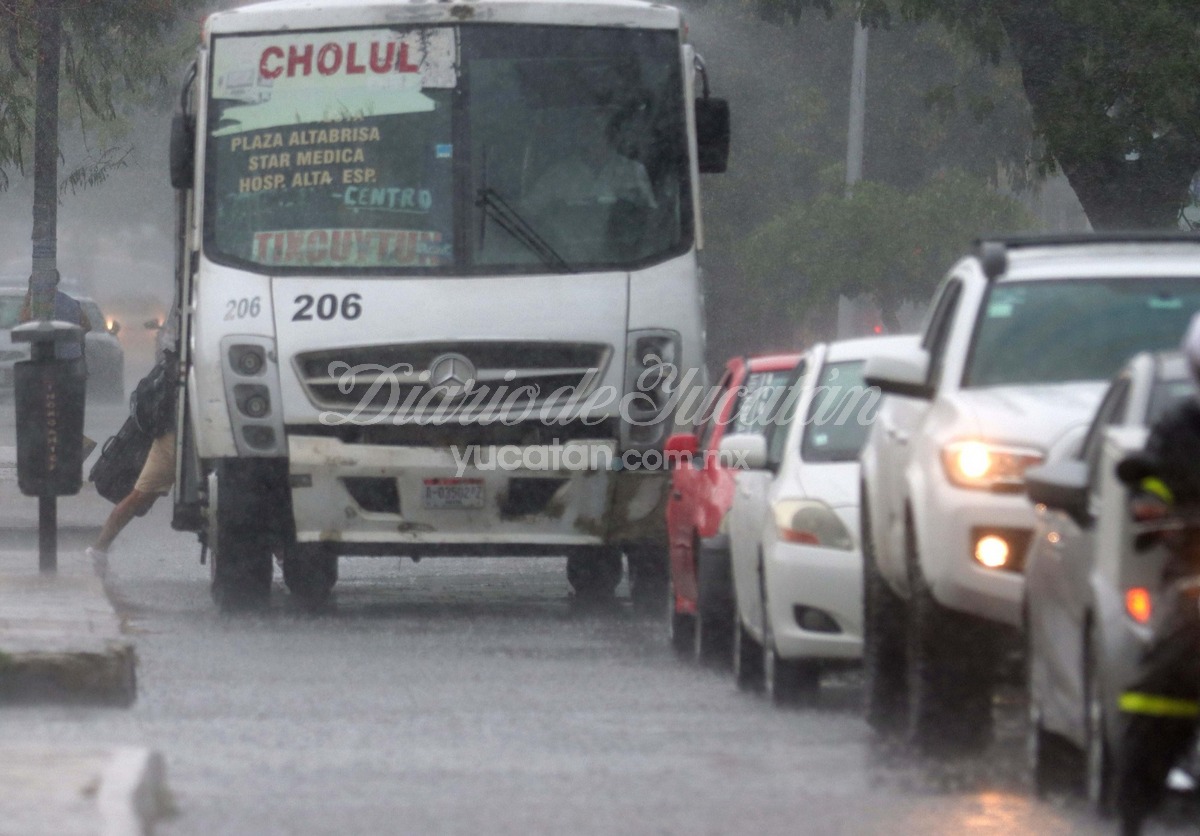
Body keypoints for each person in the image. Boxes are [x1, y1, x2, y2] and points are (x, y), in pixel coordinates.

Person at [1114, 312, 1200, 834]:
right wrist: (1151, 505)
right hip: (1193, 570)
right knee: (1163, 677)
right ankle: (1134, 808)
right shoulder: (1179, 427)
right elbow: (1150, 477)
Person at [85, 304, 180, 577]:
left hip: (175, 431)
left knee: (140, 495)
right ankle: (98, 551)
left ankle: (99, 550)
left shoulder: (174, 347)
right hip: (174, 434)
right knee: (140, 494)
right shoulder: (178, 354)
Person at [525, 112, 657, 215]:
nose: (600, 136)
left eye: (608, 130)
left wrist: (630, 204)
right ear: (581, 135)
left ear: (617, 135)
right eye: (593, 129)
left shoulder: (634, 171)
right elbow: (529, 213)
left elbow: (650, 218)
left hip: (624, 245)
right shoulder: (557, 174)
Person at [18, 269, 91, 359]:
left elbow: (23, 323)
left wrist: (28, 299)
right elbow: (87, 326)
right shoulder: (70, 302)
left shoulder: (40, 304)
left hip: (51, 361)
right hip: (73, 359)